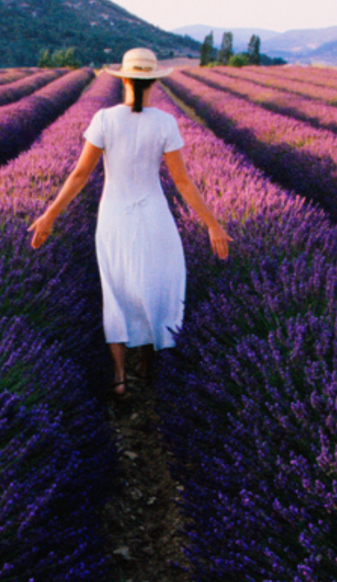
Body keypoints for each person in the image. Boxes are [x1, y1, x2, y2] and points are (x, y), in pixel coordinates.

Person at [29, 47, 231, 400]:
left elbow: (80, 175)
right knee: (157, 288)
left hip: (115, 218)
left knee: (116, 290)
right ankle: (149, 369)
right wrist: (212, 223)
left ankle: (120, 378)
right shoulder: (165, 123)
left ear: (123, 78)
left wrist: (50, 215)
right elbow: (183, 182)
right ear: (153, 81)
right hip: (154, 216)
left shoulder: (105, 120)